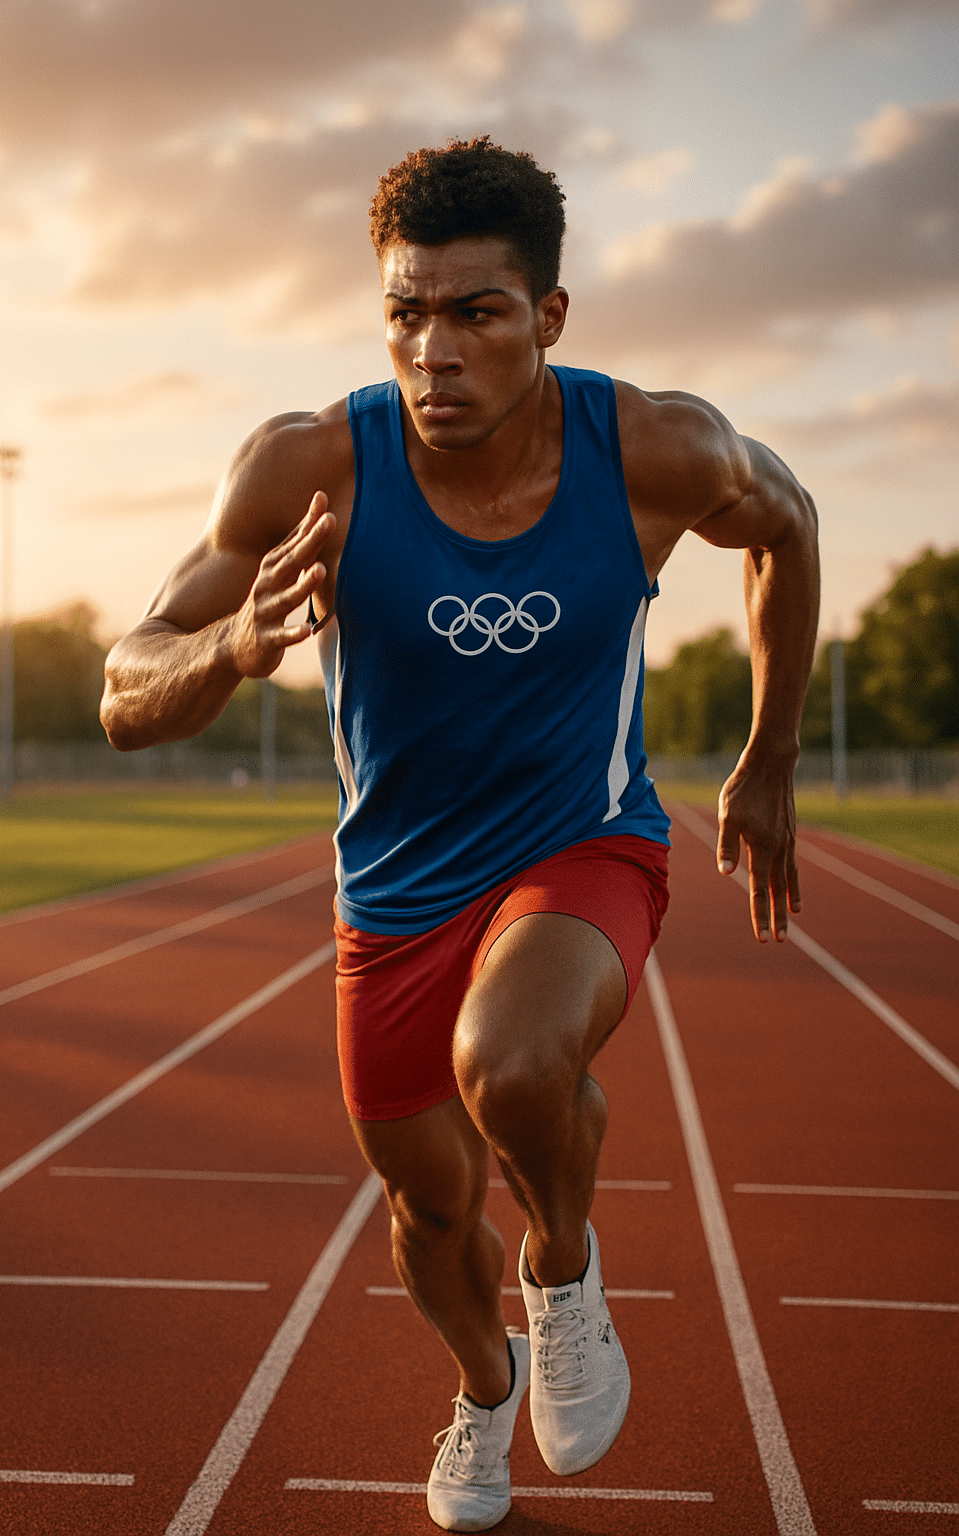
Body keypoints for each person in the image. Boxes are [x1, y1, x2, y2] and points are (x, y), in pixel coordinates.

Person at [101, 138, 819, 1532]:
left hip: (583, 843)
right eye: (405, 313)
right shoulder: (313, 467)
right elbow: (129, 687)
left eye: (475, 313)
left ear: (548, 319)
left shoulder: (656, 449)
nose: (433, 349)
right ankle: (486, 1386)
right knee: (430, 1217)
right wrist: (233, 646)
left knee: (515, 1061)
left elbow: (788, 526)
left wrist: (771, 752)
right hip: (394, 893)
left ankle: (564, 1273)